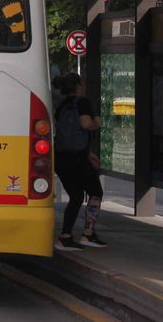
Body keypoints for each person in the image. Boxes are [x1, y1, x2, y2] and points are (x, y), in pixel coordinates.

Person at [52, 72, 107, 251]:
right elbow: (84, 124)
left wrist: (87, 153)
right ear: (77, 86)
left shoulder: (61, 106)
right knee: (96, 191)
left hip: (61, 158)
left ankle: (65, 236)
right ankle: (88, 234)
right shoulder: (82, 103)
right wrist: (97, 122)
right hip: (76, 159)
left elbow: (67, 134)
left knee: (75, 196)